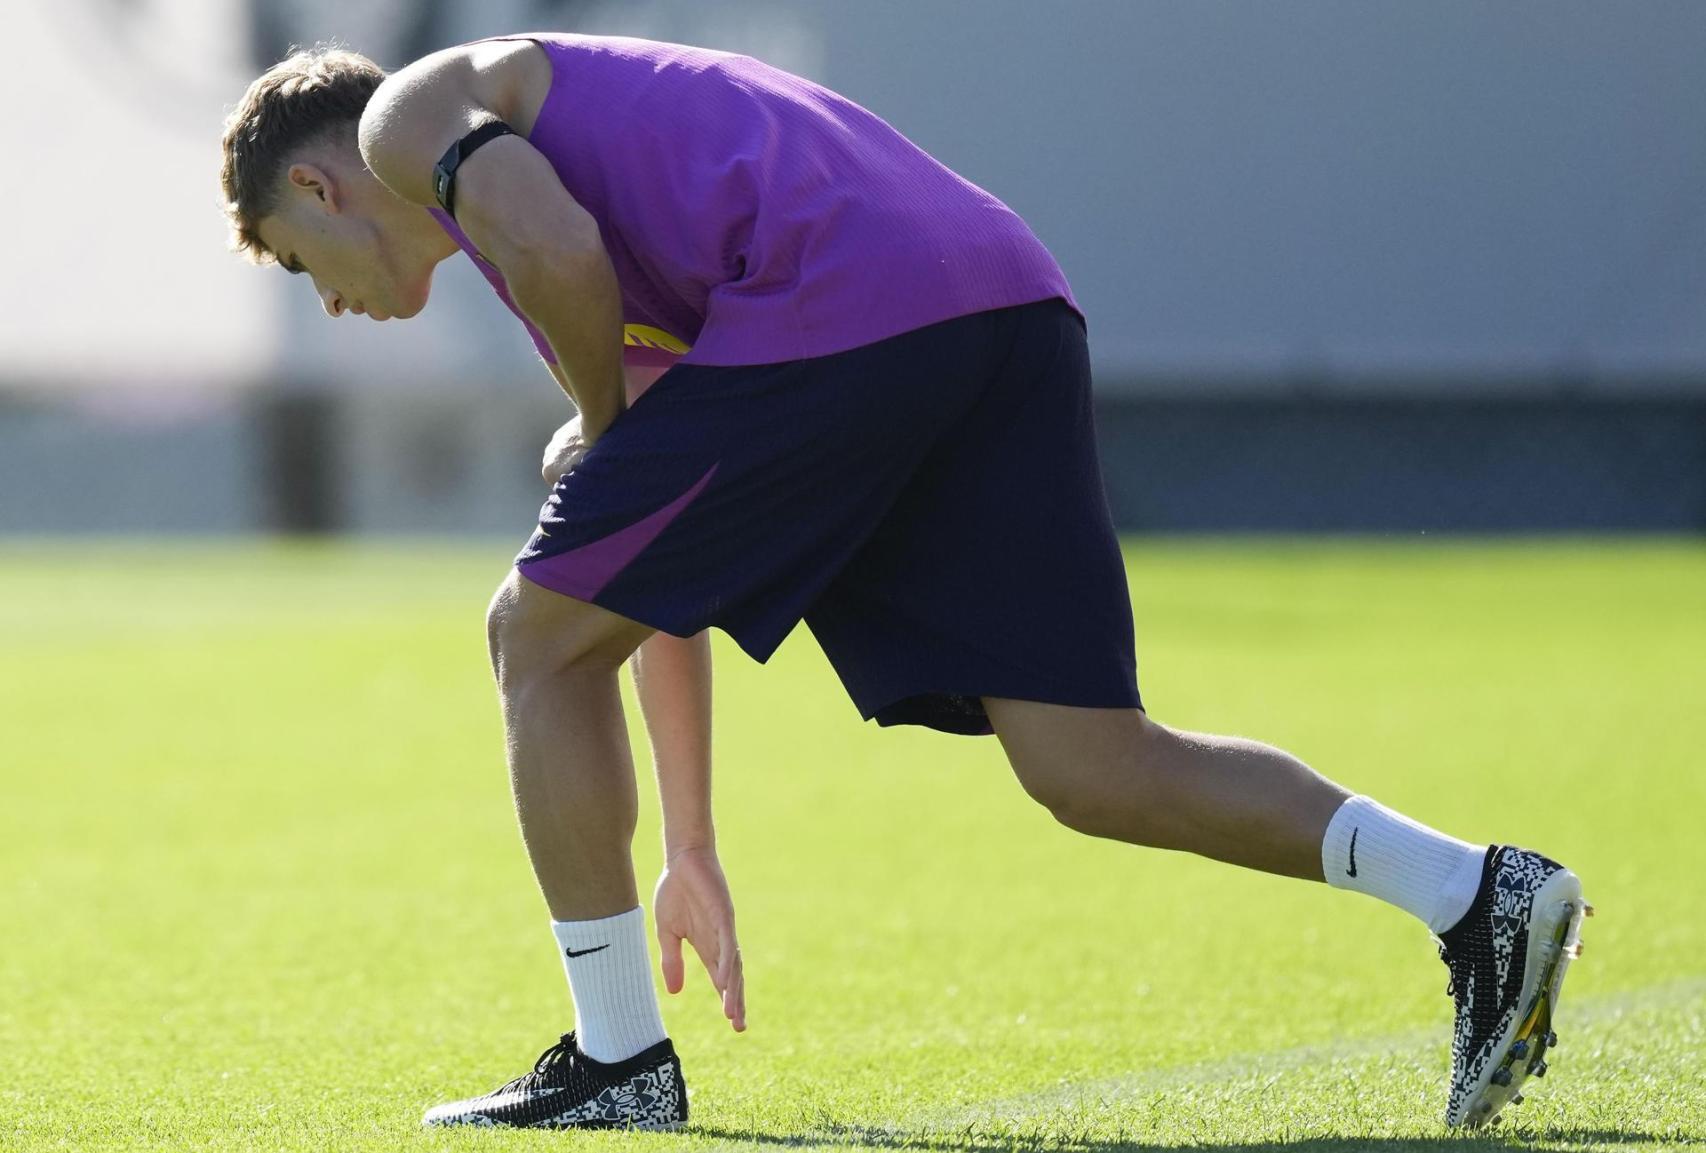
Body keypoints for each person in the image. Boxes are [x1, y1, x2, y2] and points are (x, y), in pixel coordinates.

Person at [218, 32, 1590, 1132]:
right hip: (998, 297)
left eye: (294, 256)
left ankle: (615, 1061)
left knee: (524, 630)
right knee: (1087, 762)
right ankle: (1479, 893)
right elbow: (642, 587)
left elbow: (580, 333)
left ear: (322, 189)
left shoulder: (413, 119)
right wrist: (686, 842)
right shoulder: (538, 232)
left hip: (846, 298)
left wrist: (601, 433)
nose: (319, 292)